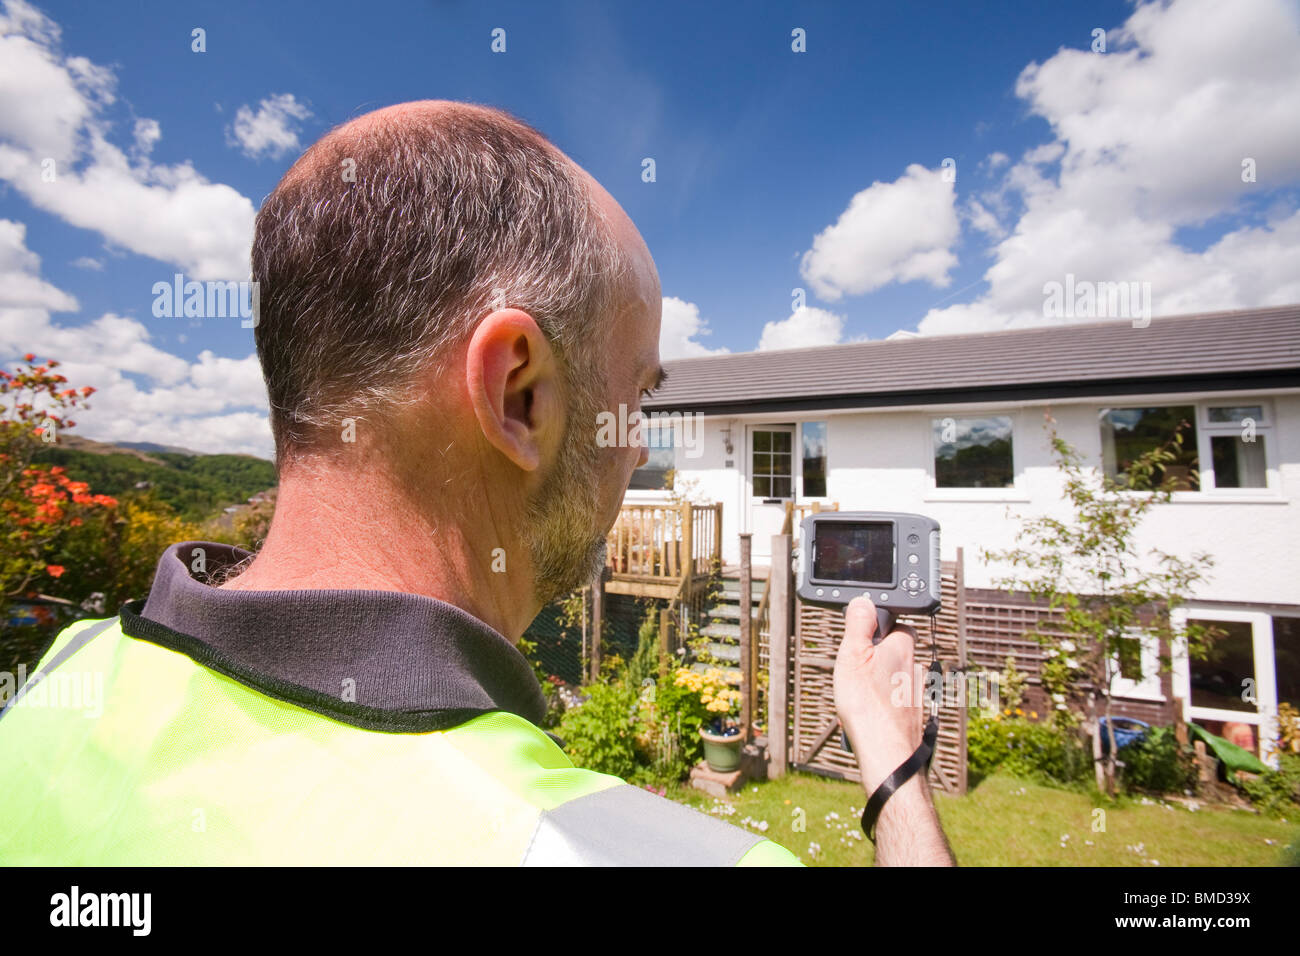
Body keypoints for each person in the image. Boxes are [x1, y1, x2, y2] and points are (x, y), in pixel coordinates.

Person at [0, 100, 953, 866]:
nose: (636, 449)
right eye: (637, 399)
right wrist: (894, 765)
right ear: (519, 396)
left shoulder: (66, 674)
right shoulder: (632, 853)